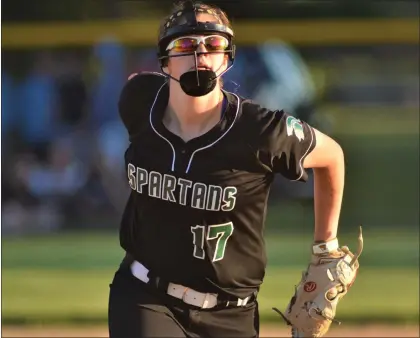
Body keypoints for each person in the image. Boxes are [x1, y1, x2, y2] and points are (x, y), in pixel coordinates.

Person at [108, 1, 362, 337]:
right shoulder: (140, 101)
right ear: (164, 60)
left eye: (212, 45)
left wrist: (325, 248)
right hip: (145, 296)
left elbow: (332, 156)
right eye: (185, 45)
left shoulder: (260, 131)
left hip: (232, 313)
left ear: (227, 57)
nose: (200, 55)